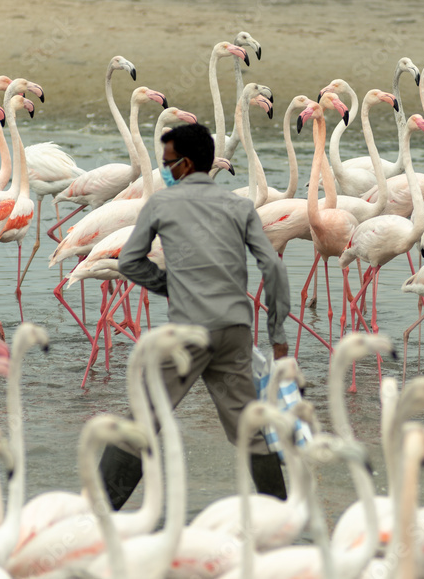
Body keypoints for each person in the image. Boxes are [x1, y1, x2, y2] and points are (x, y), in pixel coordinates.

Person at [99, 122, 291, 508]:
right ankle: (285, 518)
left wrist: (170, 286)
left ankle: (97, 514)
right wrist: (278, 336)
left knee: (143, 418)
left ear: (185, 165)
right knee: (252, 432)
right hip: (236, 331)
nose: (165, 170)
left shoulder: (160, 204)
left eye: (168, 163)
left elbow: (130, 262)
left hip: (189, 331)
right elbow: (273, 266)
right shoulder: (239, 206)